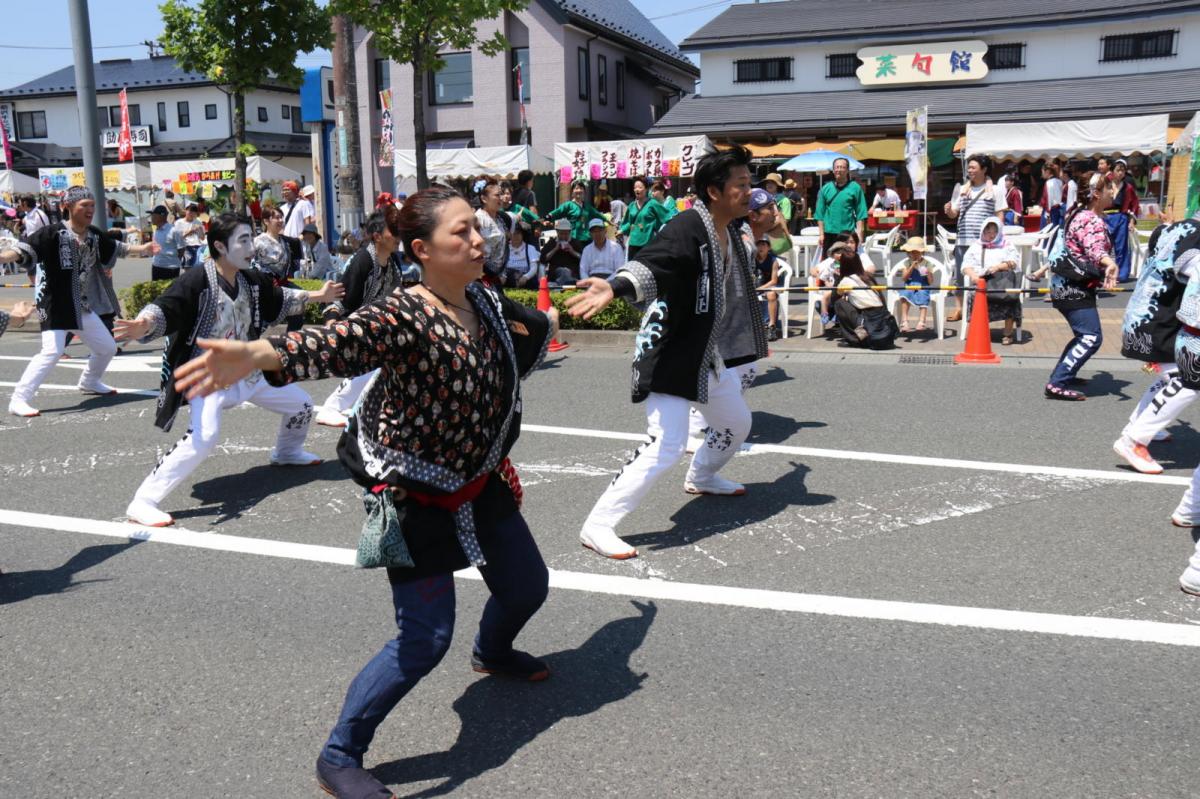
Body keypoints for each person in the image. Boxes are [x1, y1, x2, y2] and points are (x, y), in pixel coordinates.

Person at [170, 187, 556, 799]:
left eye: (476, 228)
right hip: (415, 492)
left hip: (480, 479)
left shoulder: (482, 297)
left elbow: (524, 338)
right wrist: (260, 352)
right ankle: (339, 753)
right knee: (424, 640)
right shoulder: (403, 313)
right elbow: (337, 340)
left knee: (528, 586)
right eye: (461, 232)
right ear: (422, 250)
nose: (478, 240)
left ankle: (492, 650)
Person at [564, 145, 768, 560]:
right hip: (670, 349)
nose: (750, 193)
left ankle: (703, 474)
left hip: (704, 353)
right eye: (741, 185)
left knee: (736, 422)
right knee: (666, 444)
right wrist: (615, 286)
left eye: (750, 183)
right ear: (714, 191)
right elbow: (653, 263)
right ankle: (598, 524)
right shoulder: (687, 227)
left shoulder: (730, 229)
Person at [115, 213, 342, 526]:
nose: (251, 247)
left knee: (301, 405)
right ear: (220, 245)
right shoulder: (197, 280)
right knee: (204, 436)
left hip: (248, 372)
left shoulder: (250, 279)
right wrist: (144, 324)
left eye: (252, 238)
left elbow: (282, 296)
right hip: (208, 376)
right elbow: (168, 306)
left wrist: (320, 295)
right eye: (243, 240)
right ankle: (143, 501)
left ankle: (287, 452)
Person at [0, 185, 159, 417]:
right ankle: (18, 399)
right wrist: (4, 257)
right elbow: (24, 249)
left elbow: (118, 247)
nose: (90, 209)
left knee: (107, 348)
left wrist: (143, 248)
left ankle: (89, 381)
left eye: (92, 205)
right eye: (84, 205)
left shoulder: (93, 234)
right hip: (54, 304)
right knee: (52, 351)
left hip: (80, 306)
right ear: (68, 207)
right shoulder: (52, 233)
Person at [1112, 213, 1200, 474]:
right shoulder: (1196, 236)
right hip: (1159, 319)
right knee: (1188, 379)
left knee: (1174, 374)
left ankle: (1139, 424)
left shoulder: (1180, 227)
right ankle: (1134, 440)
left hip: (1146, 315)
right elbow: (1190, 267)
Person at [314, 208, 407, 429]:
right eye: (393, 231)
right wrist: (332, 322)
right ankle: (332, 407)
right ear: (377, 236)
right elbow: (341, 297)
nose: (398, 236)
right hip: (351, 326)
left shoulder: (393, 264)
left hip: (375, 326)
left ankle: (377, 404)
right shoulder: (363, 261)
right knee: (376, 360)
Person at [1044, 171, 1120, 400]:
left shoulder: (1078, 213)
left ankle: (1066, 372)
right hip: (1072, 287)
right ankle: (1057, 383)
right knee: (1090, 337)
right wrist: (1110, 264)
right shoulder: (1091, 220)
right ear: (1096, 194)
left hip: (1066, 284)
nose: (1113, 192)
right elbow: (1095, 249)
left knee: (1083, 334)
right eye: (1109, 188)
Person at [944, 153, 1007, 323]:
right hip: (963, 239)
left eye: (973, 167)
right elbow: (954, 214)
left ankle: (980, 308)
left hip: (983, 243)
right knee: (960, 275)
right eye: (969, 167)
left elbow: (999, 214)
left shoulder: (995, 190)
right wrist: (949, 210)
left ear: (984, 169)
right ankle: (959, 308)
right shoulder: (963, 189)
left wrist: (998, 237)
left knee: (981, 276)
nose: (970, 170)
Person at [961, 217, 1022, 346]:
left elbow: (1014, 262)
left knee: (1011, 298)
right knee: (974, 294)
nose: (991, 235)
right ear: (983, 231)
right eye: (988, 232)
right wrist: (973, 275)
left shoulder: (1006, 244)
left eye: (994, 232)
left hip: (1002, 281)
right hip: (981, 281)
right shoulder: (976, 245)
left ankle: (1008, 333)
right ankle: (978, 331)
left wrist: (999, 267)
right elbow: (966, 264)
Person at [254, 206, 304, 331]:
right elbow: (251, 264)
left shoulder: (286, 241)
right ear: (266, 221)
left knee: (301, 298)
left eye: (282, 217)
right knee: (262, 319)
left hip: (283, 283)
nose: (281, 220)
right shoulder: (257, 241)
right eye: (277, 218)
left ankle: (291, 338)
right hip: (266, 285)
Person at [833, 252, 896, 349]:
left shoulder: (846, 280)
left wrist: (837, 278)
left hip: (868, 318)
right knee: (852, 301)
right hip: (882, 315)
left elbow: (835, 297)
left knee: (839, 304)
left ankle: (853, 339)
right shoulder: (868, 276)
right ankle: (863, 336)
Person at [620, 177, 672, 259]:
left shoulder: (652, 203)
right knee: (633, 268)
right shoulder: (631, 205)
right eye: (635, 187)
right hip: (633, 243)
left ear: (646, 189)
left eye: (640, 187)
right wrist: (621, 230)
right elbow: (629, 223)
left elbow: (667, 217)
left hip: (647, 243)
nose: (637, 190)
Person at [545, 181, 604, 252]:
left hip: (587, 237)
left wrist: (608, 221)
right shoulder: (569, 205)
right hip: (574, 237)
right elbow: (558, 211)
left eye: (581, 188)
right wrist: (548, 217)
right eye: (576, 188)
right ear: (572, 192)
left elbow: (597, 214)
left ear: (584, 192)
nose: (579, 190)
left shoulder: (587, 206)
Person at [1107, 159, 1141, 282]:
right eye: (1118, 170)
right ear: (1112, 171)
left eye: (1123, 170)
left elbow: (1134, 205)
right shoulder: (1106, 184)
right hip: (1105, 217)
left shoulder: (1128, 187)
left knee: (1121, 247)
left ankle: (1120, 274)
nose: (1120, 173)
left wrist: (1131, 222)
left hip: (1121, 217)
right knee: (1103, 246)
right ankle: (1102, 272)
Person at [474, 180, 510, 282]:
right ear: (484, 198)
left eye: (501, 195)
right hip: (481, 275)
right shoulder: (478, 219)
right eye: (497, 195)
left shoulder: (501, 219)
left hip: (497, 275)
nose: (501, 198)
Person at [896, 236, 934, 332]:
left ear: (922, 252)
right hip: (910, 284)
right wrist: (912, 267)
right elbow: (904, 278)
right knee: (904, 295)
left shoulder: (927, 263)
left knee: (923, 296)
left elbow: (930, 282)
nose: (914, 255)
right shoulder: (907, 263)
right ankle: (904, 321)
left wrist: (927, 273)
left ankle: (922, 321)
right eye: (912, 252)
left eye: (917, 252)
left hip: (922, 285)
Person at [811, 241, 850, 328]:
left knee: (843, 297)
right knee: (825, 296)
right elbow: (823, 276)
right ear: (833, 255)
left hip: (844, 287)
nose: (840, 255)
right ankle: (824, 313)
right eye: (837, 253)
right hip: (833, 286)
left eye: (842, 253)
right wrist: (826, 282)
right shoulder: (831, 264)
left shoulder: (848, 263)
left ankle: (837, 316)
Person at [753, 235, 781, 341]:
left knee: (771, 294)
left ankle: (771, 326)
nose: (760, 247)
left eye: (763, 245)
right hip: (755, 285)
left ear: (768, 248)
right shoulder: (752, 259)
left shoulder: (773, 261)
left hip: (769, 285)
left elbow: (774, 281)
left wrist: (761, 288)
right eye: (758, 244)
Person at [149, 204, 185, 281]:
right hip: (156, 266)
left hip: (171, 268)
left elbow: (181, 249)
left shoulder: (174, 230)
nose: (151, 218)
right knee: (157, 292)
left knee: (171, 292)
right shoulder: (155, 230)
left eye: (153, 215)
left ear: (162, 216)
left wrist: (173, 260)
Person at [539, 219, 581, 284]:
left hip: (572, 273)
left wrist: (572, 251)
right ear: (557, 232)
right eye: (561, 234)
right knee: (562, 271)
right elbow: (542, 259)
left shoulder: (575, 243)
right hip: (554, 275)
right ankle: (566, 282)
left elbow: (583, 258)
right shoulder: (551, 243)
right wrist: (555, 249)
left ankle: (566, 281)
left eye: (566, 234)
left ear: (569, 232)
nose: (563, 236)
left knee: (566, 271)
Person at [503, 221, 540, 287]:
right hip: (508, 278)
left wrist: (526, 277)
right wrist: (503, 276)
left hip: (526, 279)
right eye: (513, 233)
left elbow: (534, 268)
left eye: (518, 233)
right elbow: (501, 266)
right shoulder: (504, 248)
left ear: (522, 235)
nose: (515, 236)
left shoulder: (530, 248)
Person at [178, 203, 206, 269]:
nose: (191, 213)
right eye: (190, 210)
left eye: (194, 211)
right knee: (188, 269)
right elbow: (178, 238)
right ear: (185, 211)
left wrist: (200, 231)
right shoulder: (179, 222)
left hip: (198, 248)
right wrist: (190, 231)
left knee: (197, 269)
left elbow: (202, 238)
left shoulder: (198, 222)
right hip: (186, 247)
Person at [1039, 162, 1064, 229]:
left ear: (1047, 171)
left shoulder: (1049, 183)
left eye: (1042, 172)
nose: (1042, 174)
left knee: (1046, 232)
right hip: (1058, 210)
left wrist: (1047, 214)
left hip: (1050, 211)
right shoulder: (1060, 181)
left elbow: (1048, 199)